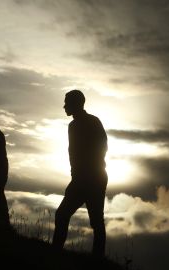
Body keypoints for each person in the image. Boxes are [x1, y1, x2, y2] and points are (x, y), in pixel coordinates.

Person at [52, 90, 108, 256]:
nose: (64, 106)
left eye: (67, 103)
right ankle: (56, 252)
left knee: (94, 220)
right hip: (83, 178)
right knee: (64, 215)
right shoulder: (73, 125)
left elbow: (103, 146)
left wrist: (87, 169)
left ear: (76, 104)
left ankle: (96, 259)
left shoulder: (92, 121)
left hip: (92, 178)